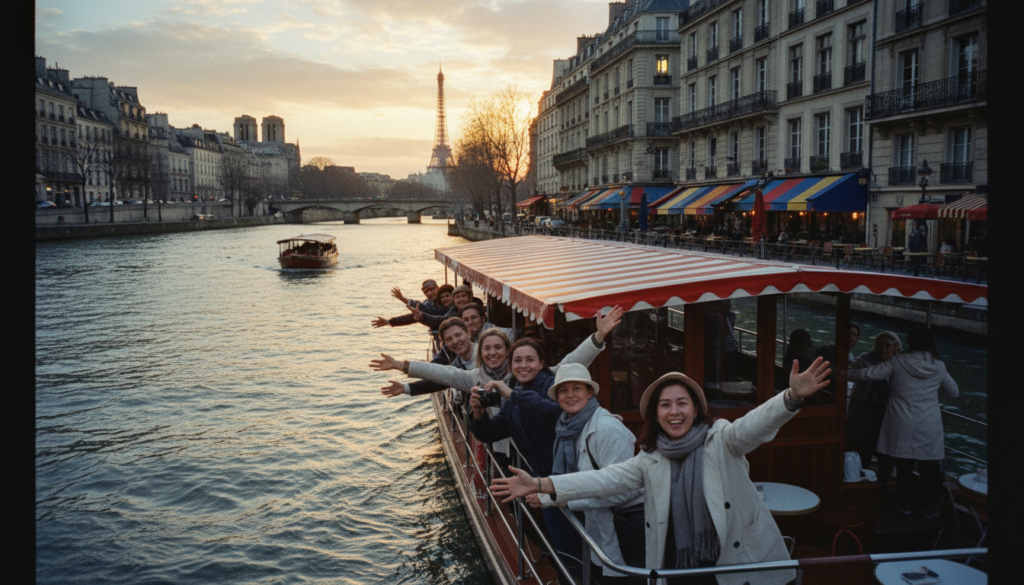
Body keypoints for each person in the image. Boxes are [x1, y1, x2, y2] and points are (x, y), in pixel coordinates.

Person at [491, 359, 833, 585]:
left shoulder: (722, 439)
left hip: (737, 562)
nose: (674, 412)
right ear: (656, 415)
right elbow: (604, 479)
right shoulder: (651, 458)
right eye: (665, 405)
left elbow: (754, 426)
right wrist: (540, 483)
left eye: (682, 403)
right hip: (681, 566)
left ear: (696, 409)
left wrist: (789, 398)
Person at [537, 363, 646, 584]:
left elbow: (623, 489)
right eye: (563, 390)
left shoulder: (608, 429)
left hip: (625, 527)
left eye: (577, 388)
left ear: (590, 392)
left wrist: (565, 500)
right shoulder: (567, 426)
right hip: (599, 527)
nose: (570, 395)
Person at [846, 326, 958, 518]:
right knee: (929, 468)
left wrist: (840, 374)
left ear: (909, 342)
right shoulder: (938, 365)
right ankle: (929, 507)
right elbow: (953, 393)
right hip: (929, 425)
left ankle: (905, 505)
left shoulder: (898, 361)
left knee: (904, 467)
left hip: (901, 422)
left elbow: (867, 374)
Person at [846, 331, 901, 471]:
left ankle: (882, 475)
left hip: (888, 408)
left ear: (895, 347)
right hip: (864, 406)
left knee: (885, 444)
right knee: (861, 441)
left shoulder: (899, 362)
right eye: (880, 345)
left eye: (887, 346)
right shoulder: (864, 358)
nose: (883, 349)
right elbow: (853, 371)